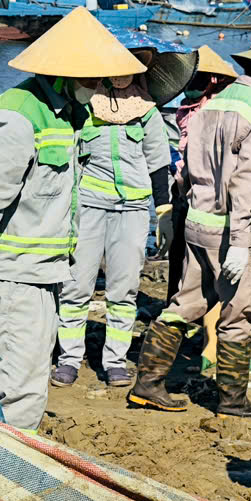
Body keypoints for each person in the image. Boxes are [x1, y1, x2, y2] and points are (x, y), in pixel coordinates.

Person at [0, 8, 143, 429]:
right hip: (17, 276)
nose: (99, 88)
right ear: (66, 73)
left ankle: (9, 457)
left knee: (32, 376)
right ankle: (4, 469)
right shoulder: (20, 114)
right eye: (92, 79)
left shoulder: (73, 116)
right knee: (16, 385)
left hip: (50, 273)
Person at [131, 29, 251, 417]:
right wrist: (241, 241)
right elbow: (248, 181)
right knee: (239, 314)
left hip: (197, 222)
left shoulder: (211, 105)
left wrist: (176, 215)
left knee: (186, 302)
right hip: (233, 229)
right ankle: (233, 399)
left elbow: (186, 166)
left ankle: (147, 382)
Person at [55, 35, 187, 386]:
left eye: (129, 68)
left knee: (124, 287)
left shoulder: (148, 113)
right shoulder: (84, 106)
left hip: (132, 209)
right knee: (76, 284)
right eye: (115, 68)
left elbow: (159, 165)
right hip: (89, 205)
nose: (120, 76)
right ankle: (68, 358)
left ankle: (115, 361)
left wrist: (164, 212)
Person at [167, 47, 236, 294]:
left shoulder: (220, 107)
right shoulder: (185, 105)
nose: (192, 83)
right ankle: (173, 307)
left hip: (206, 189)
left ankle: (201, 312)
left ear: (214, 80)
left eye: (199, 78)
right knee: (177, 253)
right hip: (182, 185)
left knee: (199, 255)